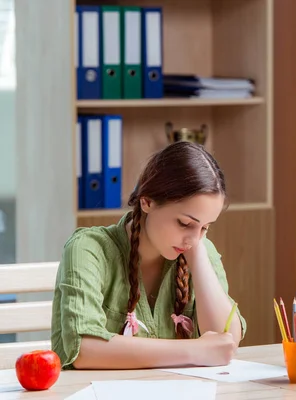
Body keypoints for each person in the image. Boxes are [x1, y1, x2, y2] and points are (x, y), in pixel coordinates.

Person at [50, 141, 246, 370]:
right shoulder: (88, 249)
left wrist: (199, 256)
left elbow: (226, 342)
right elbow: (84, 349)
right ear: (147, 201)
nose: (194, 238)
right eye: (184, 223)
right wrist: (196, 350)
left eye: (205, 227)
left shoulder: (198, 248)